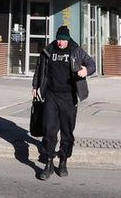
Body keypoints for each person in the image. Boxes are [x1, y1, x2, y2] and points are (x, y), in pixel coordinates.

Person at [31, 24, 96, 180]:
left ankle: (63, 161)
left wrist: (85, 71)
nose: (60, 43)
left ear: (68, 40)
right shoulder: (49, 50)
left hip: (69, 97)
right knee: (49, 130)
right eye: (59, 39)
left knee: (67, 132)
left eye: (63, 40)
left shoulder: (76, 50)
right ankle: (48, 163)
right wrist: (35, 86)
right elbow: (39, 68)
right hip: (51, 96)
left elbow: (92, 64)